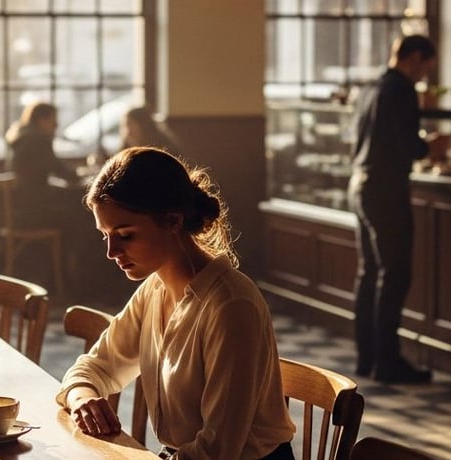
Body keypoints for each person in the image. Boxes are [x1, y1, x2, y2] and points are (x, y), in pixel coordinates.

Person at [55, 147, 296, 460]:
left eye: (125, 235)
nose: (111, 251)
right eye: (105, 235)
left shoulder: (231, 306)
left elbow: (218, 450)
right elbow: (94, 367)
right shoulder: (155, 288)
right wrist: (82, 398)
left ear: (172, 221)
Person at [347, 34, 448, 384]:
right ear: (416, 57)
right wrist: (430, 147)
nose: (424, 75)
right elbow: (408, 144)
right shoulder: (402, 89)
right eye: (426, 67)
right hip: (386, 190)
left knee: (370, 272)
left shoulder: (371, 86)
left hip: (359, 185)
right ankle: (387, 361)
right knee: (395, 273)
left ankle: (366, 357)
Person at [4, 101, 81, 228]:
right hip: (36, 211)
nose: (57, 125)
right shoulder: (38, 140)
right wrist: (78, 175)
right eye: (53, 120)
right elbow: (62, 171)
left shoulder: (21, 137)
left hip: (22, 207)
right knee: (82, 209)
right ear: (41, 120)